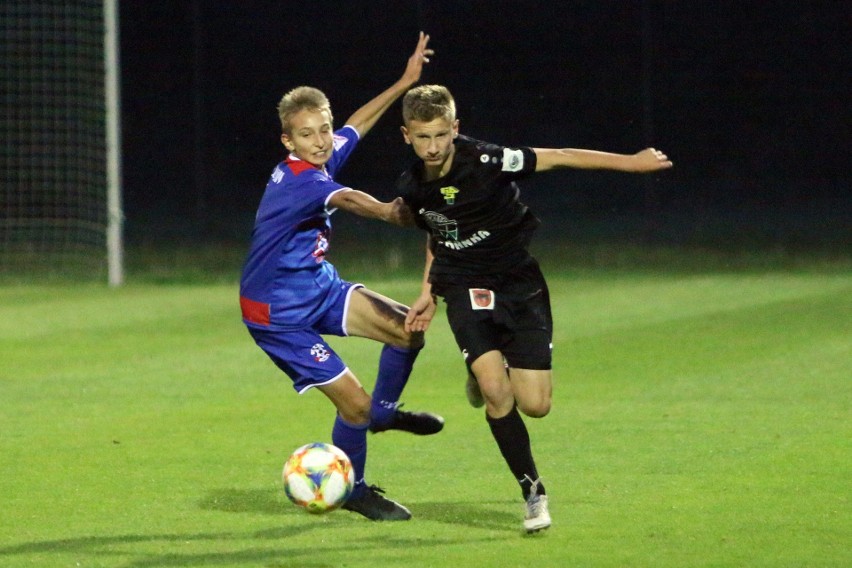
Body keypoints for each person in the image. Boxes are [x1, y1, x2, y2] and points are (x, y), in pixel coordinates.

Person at [396, 84, 673, 532]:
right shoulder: (411, 184)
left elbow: (560, 154)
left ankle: (482, 369)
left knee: (536, 405)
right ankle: (532, 492)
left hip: (518, 284)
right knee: (496, 391)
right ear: (406, 135)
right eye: (423, 137)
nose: (433, 146)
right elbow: (439, 231)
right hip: (465, 285)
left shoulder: (487, 161)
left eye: (441, 135)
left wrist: (632, 163)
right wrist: (428, 290)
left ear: (455, 130)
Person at [239, 33, 444, 522]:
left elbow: (359, 123)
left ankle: (384, 413)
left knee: (407, 329)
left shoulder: (324, 151)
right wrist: (400, 212)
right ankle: (355, 489)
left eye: (324, 130)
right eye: (307, 134)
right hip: (276, 314)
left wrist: (405, 81)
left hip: (316, 286)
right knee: (353, 407)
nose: (321, 140)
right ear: (288, 141)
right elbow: (352, 201)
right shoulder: (301, 179)